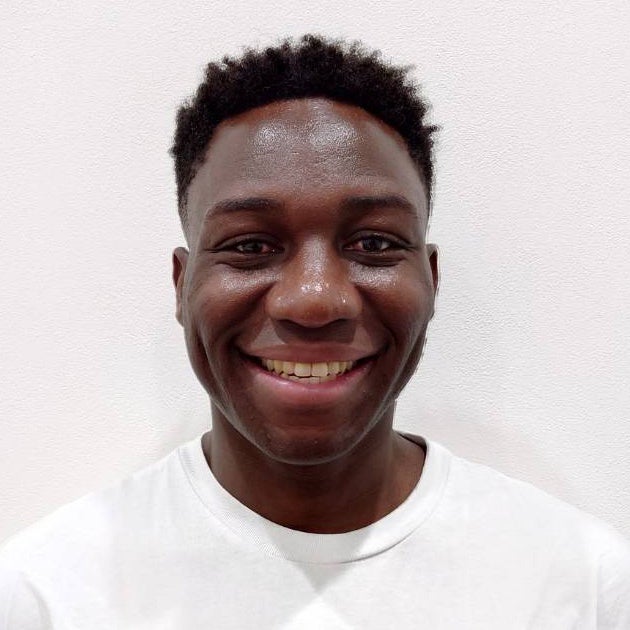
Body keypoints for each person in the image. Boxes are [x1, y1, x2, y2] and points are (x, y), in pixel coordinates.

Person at [1, 34, 629, 629]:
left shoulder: (584, 584)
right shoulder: (46, 595)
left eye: (374, 244)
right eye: (250, 245)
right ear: (182, 285)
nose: (314, 300)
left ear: (432, 280)